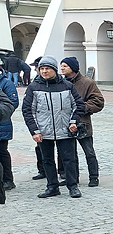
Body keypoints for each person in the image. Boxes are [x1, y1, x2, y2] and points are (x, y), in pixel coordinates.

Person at [22, 56, 85, 198]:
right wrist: (34, 131)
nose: (44, 71)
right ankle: (52, 186)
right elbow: (27, 111)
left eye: (47, 69)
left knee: (69, 160)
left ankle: (72, 186)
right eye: (42, 69)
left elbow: (79, 105)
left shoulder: (67, 85)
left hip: (65, 130)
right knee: (47, 160)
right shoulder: (34, 87)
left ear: (54, 70)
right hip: (44, 132)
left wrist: (73, 121)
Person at [60, 56, 105, 188]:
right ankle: (73, 178)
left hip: (82, 123)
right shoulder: (61, 83)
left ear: (72, 68)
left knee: (89, 152)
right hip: (66, 123)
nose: (62, 68)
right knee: (69, 154)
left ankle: (94, 177)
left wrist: (81, 108)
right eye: (61, 65)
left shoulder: (87, 82)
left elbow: (98, 101)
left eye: (65, 66)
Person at [0, 73, 17, 192]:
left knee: (2, 152)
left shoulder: (6, 83)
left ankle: (7, 179)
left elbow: (12, 102)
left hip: (2, 124)